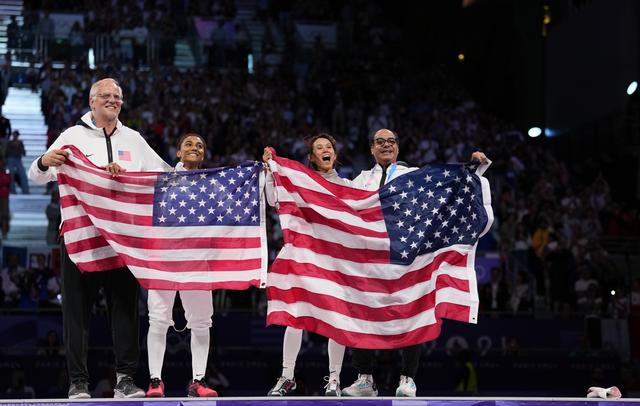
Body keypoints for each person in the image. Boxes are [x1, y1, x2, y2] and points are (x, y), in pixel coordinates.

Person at [28, 78, 172, 399]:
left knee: (125, 309)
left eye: (117, 96)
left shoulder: (134, 140)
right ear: (91, 102)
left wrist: (192, 171)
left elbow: (161, 175)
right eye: (106, 96)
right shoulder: (70, 136)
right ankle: (78, 382)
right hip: (81, 238)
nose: (113, 100)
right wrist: (43, 162)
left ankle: (125, 380)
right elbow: (34, 177)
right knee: (76, 312)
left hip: (121, 240)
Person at [342, 128, 487, 397]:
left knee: (413, 312)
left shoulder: (414, 175)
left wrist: (474, 168)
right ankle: (365, 379)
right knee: (361, 312)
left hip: (407, 256)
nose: (386, 145)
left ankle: (407, 379)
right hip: (370, 258)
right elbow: (335, 199)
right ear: (372, 149)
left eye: (391, 141)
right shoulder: (360, 180)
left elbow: (450, 186)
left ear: (397, 147)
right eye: (380, 142)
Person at [263, 133, 348, 397]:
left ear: (334, 154)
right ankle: (287, 377)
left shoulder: (348, 184)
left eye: (329, 147)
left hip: (334, 259)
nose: (325, 150)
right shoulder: (299, 181)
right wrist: (269, 171)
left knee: (337, 318)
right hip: (303, 257)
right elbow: (271, 200)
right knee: (295, 317)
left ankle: (334, 379)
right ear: (311, 157)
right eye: (319, 148)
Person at [145, 133, 218, 398]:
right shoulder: (162, 179)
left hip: (198, 259)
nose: (195, 148)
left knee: (201, 322)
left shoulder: (214, 184)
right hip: (163, 257)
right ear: (178, 153)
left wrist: (263, 170)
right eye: (189, 144)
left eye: (200, 145)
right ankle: (155, 380)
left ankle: (198, 381)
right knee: (158, 319)